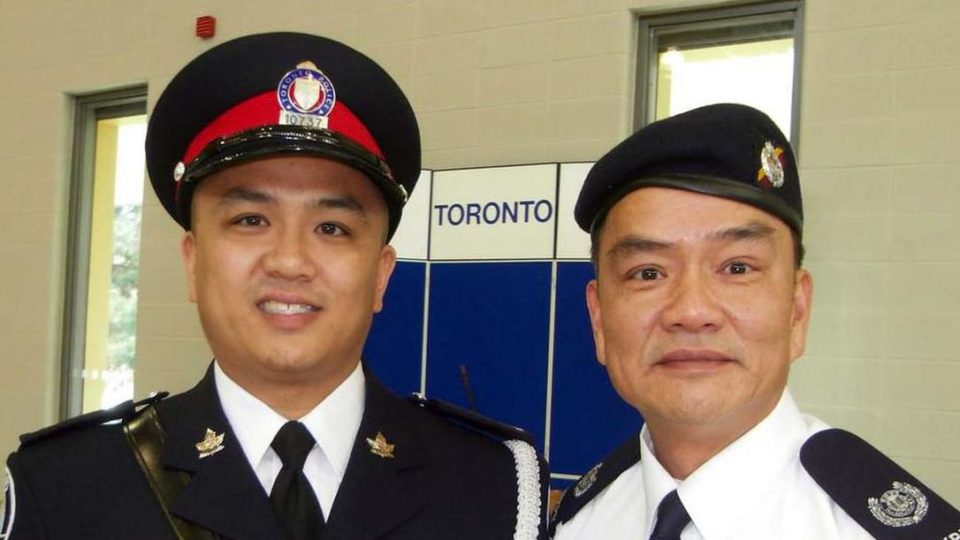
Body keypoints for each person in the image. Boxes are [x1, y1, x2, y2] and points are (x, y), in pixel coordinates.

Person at [2, 32, 546, 540]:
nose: (290, 261)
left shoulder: (490, 482)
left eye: (332, 228)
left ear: (381, 275)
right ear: (193, 261)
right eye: (250, 220)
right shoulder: (65, 488)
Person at [549, 104, 960, 539]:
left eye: (737, 268)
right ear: (599, 319)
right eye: (648, 273)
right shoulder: (578, 521)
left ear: (797, 310)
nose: (691, 312)